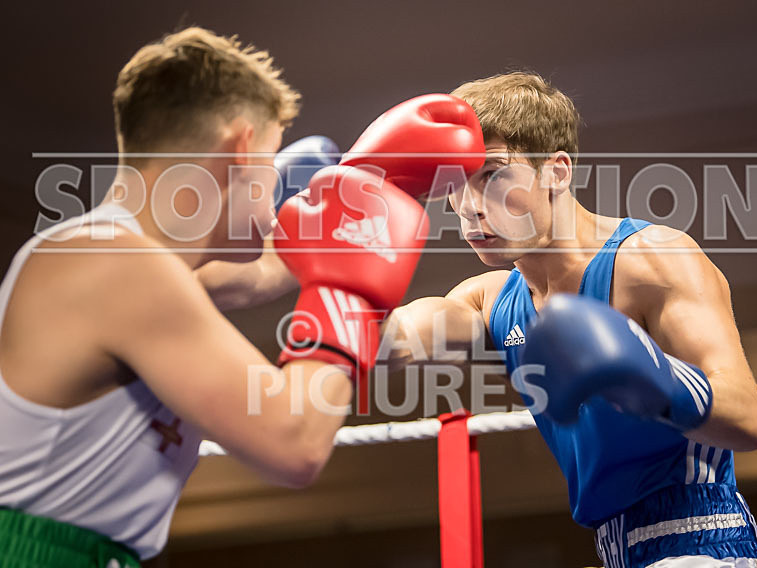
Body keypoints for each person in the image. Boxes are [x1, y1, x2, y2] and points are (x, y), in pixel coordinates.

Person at [0, 27, 451, 567]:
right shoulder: (118, 264)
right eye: (270, 158)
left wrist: (372, 189)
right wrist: (347, 288)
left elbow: (261, 272)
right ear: (240, 149)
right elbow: (295, 442)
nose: (274, 185)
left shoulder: (130, 263)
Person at [381, 72, 757, 567]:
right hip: (613, 549)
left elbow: (749, 418)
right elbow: (402, 337)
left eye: (493, 175)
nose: (470, 208)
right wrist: (344, 291)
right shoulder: (490, 299)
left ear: (557, 172)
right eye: (455, 186)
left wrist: (654, 376)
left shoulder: (652, 258)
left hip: (701, 543)